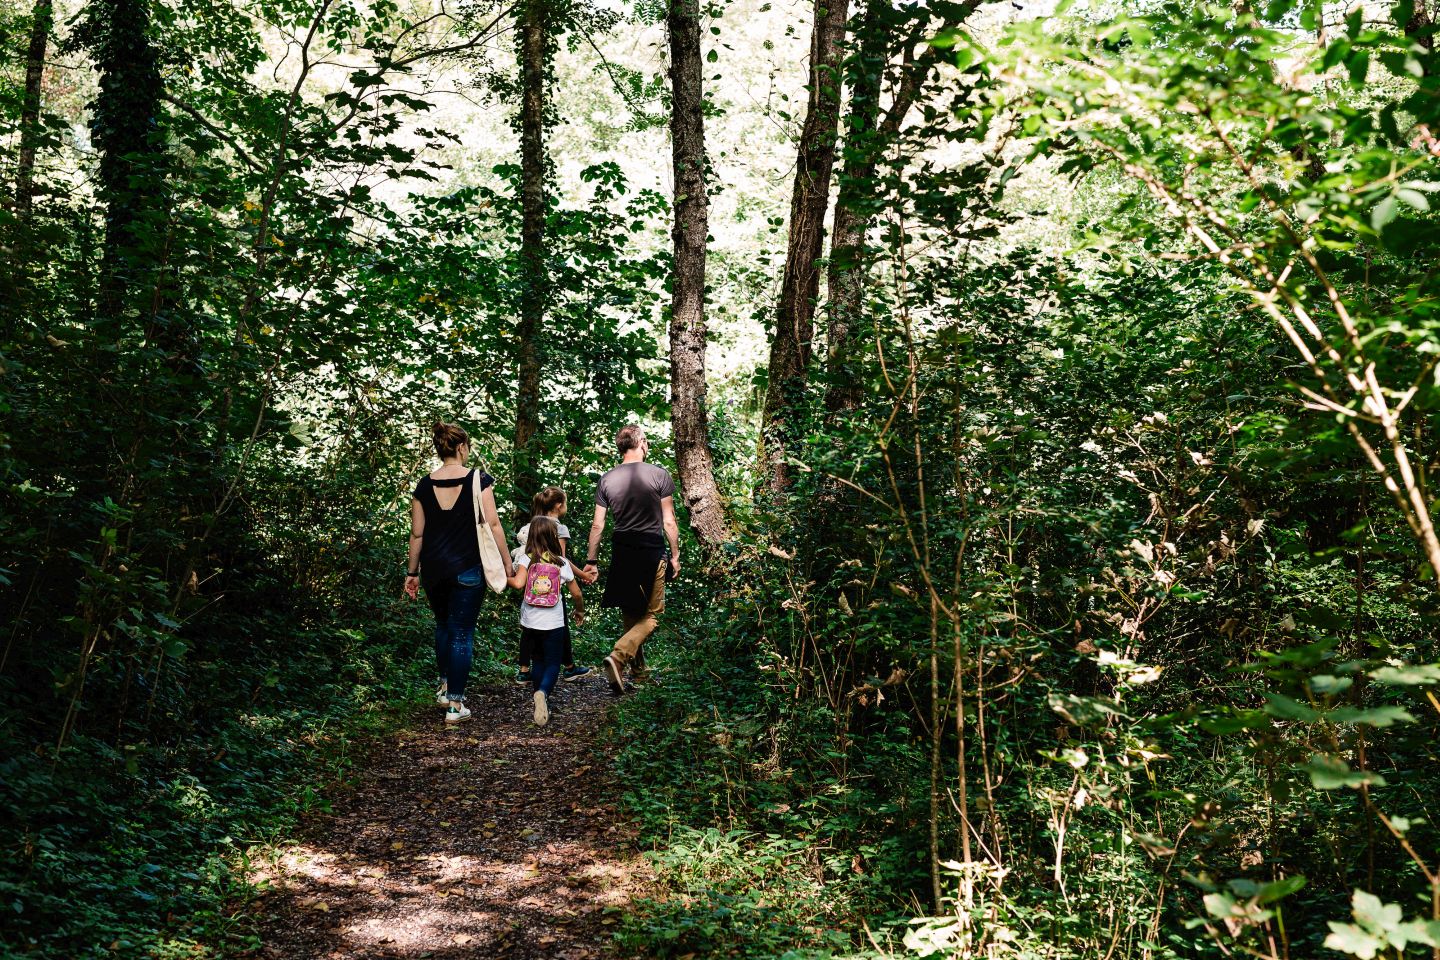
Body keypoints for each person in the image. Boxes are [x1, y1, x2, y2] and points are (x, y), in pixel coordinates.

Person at [404, 421, 515, 725]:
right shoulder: (478, 480)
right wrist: (507, 564)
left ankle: (443, 689)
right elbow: (493, 525)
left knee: (443, 626)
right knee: (462, 632)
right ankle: (455, 705)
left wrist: (412, 573)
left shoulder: (424, 486)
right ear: (462, 447)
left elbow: (417, 535)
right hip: (467, 568)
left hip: (434, 570)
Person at [582, 424, 681, 694]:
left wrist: (591, 561)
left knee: (631, 612)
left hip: (622, 549)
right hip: (650, 548)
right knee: (653, 615)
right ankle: (618, 656)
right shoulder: (659, 475)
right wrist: (675, 555)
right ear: (642, 443)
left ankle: (637, 673)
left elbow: (598, 526)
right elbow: (669, 521)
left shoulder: (606, 479)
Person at [506, 517, 586, 726]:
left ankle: (538, 697)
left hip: (531, 622)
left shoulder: (527, 559)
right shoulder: (561, 562)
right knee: (552, 663)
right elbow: (577, 593)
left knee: (538, 661)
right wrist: (579, 611)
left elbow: (517, 584)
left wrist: (499, 576)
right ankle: (543, 693)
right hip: (554, 622)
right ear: (553, 537)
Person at [512, 486, 594, 686]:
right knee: (559, 621)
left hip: (529, 577)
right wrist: (584, 575)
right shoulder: (558, 527)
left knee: (528, 626)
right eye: (564, 503)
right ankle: (568, 667)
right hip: (552, 584)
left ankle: (524, 670)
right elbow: (560, 559)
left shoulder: (533, 524)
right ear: (558, 505)